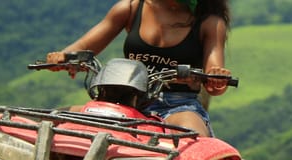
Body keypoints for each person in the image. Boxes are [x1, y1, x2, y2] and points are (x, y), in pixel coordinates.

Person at [46, 0, 231, 137]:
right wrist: (63, 57)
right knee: (54, 121)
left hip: (177, 105)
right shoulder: (131, 8)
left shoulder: (211, 24)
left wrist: (217, 79)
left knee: (193, 137)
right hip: (122, 98)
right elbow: (84, 47)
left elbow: (213, 76)